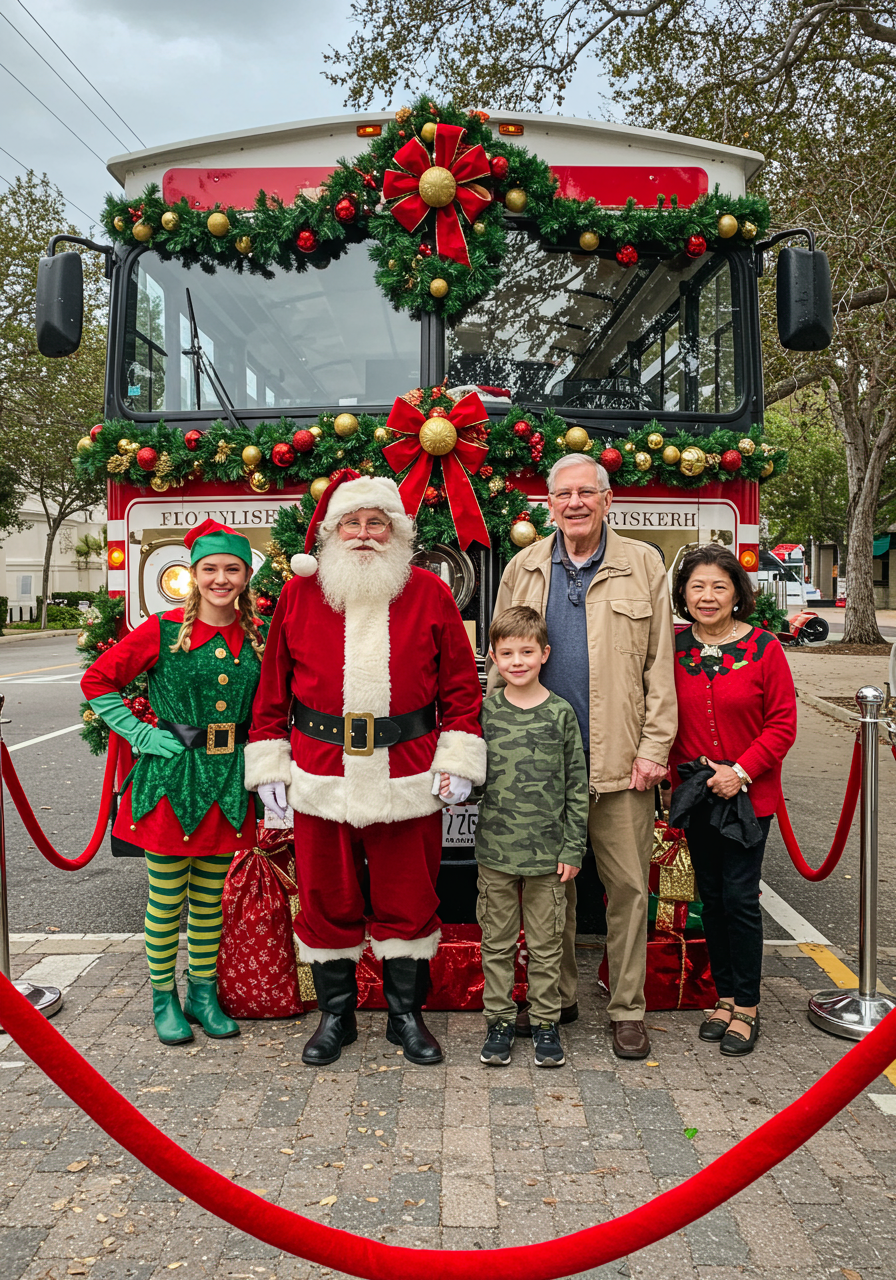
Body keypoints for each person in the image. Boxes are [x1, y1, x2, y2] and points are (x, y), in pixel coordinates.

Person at [243, 470, 486, 1068]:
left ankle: (406, 1016)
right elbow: (274, 687)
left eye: (376, 522)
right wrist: (271, 763)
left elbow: (459, 687)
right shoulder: (301, 596)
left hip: (407, 771)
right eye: (351, 523)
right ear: (331, 532)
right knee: (328, 896)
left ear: (397, 531)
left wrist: (457, 757)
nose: (363, 534)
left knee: (410, 896)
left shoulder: (428, 592)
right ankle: (337, 1016)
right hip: (321, 770)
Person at [488, 453, 676, 1059]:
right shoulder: (523, 567)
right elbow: (499, 665)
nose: (575, 503)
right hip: (541, 769)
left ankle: (627, 1009)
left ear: (606, 498)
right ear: (549, 505)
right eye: (563, 494)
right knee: (554, 891)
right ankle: (559, 998)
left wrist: (654, 748)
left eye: (586, 493)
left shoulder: (643, 564)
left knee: (625, 890)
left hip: (622, 763)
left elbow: (660, 668)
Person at [82, 519, 266, 1046]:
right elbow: (98, 680)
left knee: (211, 900)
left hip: (229, 778)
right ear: (193, 574)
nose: (221, 579)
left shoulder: (258, 635)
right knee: (166, 899)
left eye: (232, 569)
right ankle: (163, 998)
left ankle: (201, 994)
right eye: (210, 569)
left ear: (245, 577)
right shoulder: (161, 630)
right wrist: (138, 732)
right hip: (169, 777)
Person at [669, 544, 797, 1056]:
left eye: (719, 586)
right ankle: (722, 996)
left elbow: (783, 724)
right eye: (697, 586)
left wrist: (741, 771)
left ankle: (748, 1004)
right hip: (698, 794)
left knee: (742, 898)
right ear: (683, 593)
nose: (707, 596)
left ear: (736, 593)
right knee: (713, 899)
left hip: (748, 795)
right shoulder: (674, 648)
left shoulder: (766, 649)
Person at [461, 605, 587, 1068]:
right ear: (493, 657)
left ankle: (544, 1022)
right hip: (495, 851)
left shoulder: (560, 714)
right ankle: (498, 1020)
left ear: (544, 654)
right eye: (507, 653)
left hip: (549, 856)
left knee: (546, 943)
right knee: (496, 941)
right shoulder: (485, 714)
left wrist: (573, 846)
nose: (517, 661)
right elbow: (472, 778)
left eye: (527, 652)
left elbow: (577, 786)